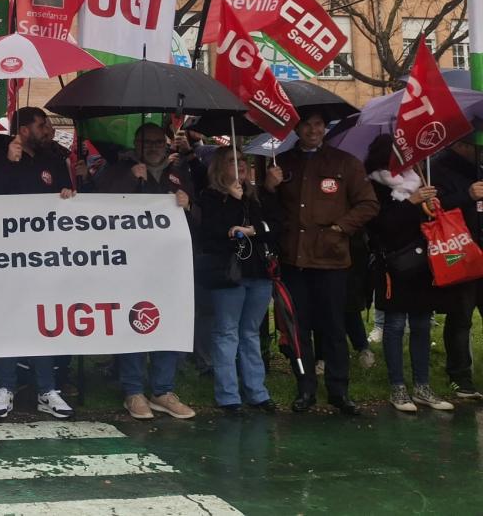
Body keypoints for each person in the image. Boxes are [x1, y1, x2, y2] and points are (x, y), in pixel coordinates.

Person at [264, 110, 378, 416]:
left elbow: (368, 204)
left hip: (331, 260)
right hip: (293, 259)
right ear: (296, 128)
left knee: (333, 327)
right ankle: (305, 388)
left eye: (318, 124)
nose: (312, 130)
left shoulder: (345, 163)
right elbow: (269, 211)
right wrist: (270, 187)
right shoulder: (280, 163)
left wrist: (341, 227)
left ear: (324, 128)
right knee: (298, 328)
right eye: (306, 124)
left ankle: (339, 391)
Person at [96, 122, 198, 420]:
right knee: (134, 321)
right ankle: (133, 390)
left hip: (170, 264)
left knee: (168, 323)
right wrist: (131, 179)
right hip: (131, 263)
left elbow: (199, 217)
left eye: (157, 142)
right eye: (146, 142)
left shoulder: (179, 173)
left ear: (166, 144)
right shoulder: (117, 170)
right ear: (136, 144)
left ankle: (163, 390)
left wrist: (189, 205)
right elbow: (98, 205)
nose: (152, 147)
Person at [0, 107, 75, 421]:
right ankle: (5, 385)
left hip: (44, 256)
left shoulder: (54, 159)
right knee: (8, 317)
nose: (48, 129)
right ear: (23, 130)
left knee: (43, 319)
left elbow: (67, 197)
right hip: (6, 256)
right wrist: (9, 163)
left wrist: (68, 193)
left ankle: (46, 389)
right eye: (41, 124)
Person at [364, 135, 454, 413]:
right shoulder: (375, 185)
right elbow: (381, 225)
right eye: (399, 153)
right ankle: (398, 387)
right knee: (394, 325)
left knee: (422, 324)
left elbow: (430, 221)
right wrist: (411, 202)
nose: (406, 158)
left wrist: (431, 204)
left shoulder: (419, 180)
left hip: (422, 262)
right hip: (393, 265)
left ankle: (423, 386)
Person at [196, 147, 280, 414]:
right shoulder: (209, 197)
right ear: (219, 167)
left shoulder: (254, 196)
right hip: (228, 273)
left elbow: (272, 227)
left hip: (258, 271)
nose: (240, 165)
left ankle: (257, 391)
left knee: (250, 332)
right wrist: (232, 203)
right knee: (226, 332)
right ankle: (228, 395)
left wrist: (252, 228)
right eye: (232, 161)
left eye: (242, 160)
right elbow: (212, 233)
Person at [431, 133, 483, 400]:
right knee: (461, 316)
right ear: (461, 145)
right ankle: (460, 377)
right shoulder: (439, 167)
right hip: (461, 250)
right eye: (476, 147)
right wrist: (467, 195)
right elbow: (434, 207)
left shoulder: (478, 165)